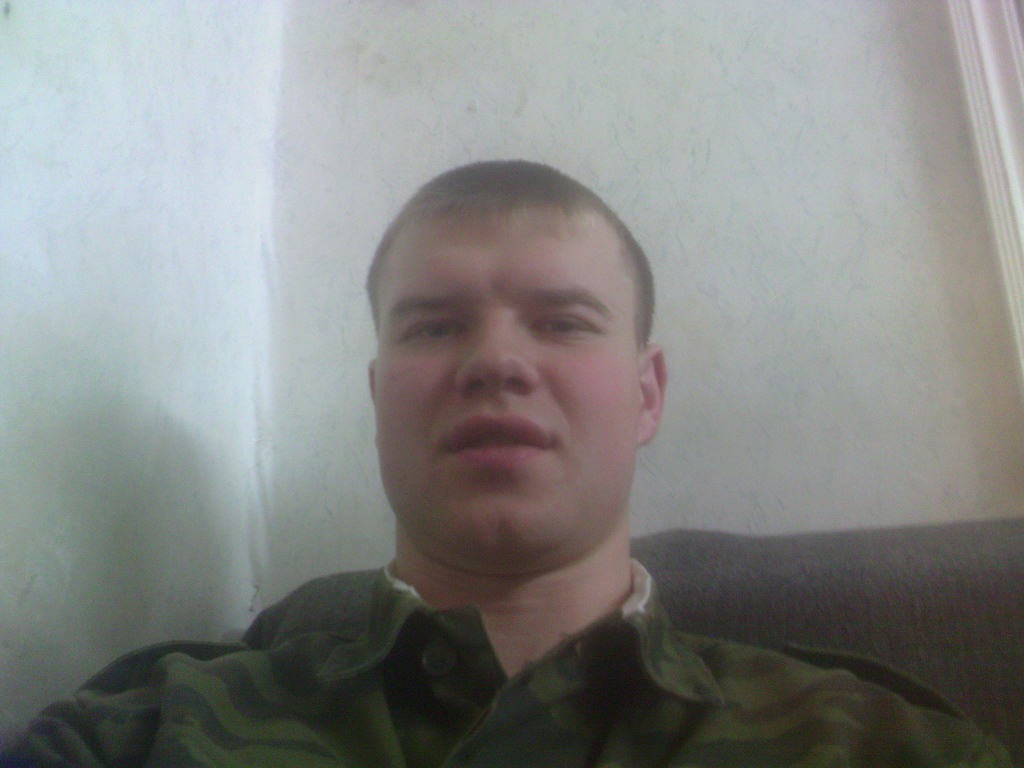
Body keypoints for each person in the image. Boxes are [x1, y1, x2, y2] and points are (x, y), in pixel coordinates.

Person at [3, 161, 1011, 767]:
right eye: (434, 325)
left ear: (647, 393)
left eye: (562, 322)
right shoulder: (147, 731)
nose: (494, 361)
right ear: (378, 394)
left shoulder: (877, 746)